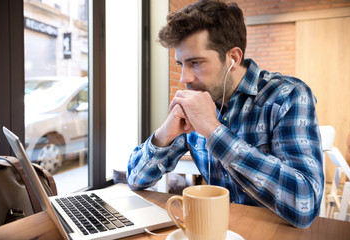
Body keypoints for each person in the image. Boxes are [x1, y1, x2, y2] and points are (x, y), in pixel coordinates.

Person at [127, 0, 323, 229]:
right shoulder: (198, 101)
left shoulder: (287, 95)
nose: (184, 78)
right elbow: (136, 180)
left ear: (234, 58)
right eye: (181, 64)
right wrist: (163, 135)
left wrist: (213, 130)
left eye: (196, 63)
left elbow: (305, 205)